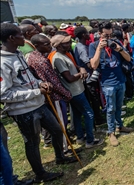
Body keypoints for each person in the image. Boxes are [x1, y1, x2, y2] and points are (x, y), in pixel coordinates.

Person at [0, 23, 77, 183]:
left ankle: (60, 157)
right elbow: (4, 94)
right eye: (20, 35)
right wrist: (36, 91)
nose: (24, 38)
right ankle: (40, 173)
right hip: (23, 111)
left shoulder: (19, 54)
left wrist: (39, 83)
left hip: (39, 103)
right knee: (32, 142)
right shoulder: (2, 63)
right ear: (11, 38)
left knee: (57, 130)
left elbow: (27, 78)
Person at [49, 34, 104, 148]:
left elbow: (75, 66)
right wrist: (81, 74)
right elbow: (69, 78)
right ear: (58, 46)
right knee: (89, 113)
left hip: (76, 90)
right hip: (74, 91)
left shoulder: (66, 54)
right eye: (66, 43)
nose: (69, 44)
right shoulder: (58, 58)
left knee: (77, 115)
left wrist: (81, 68)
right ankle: (90, 140)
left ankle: (80, 137)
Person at [89, 21, 134, 147]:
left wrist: (119, 49)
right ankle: (111, 132)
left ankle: (119, 126)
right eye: (105, 36)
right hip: (108, 83)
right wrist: (99, 48)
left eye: (110, 35)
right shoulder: (93, 46)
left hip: (120, 80)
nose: (108, 38)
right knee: (110, 109)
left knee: (119, 106)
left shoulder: (116, 43)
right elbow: (93, 65)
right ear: (99, 34)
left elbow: (128, 58)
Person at [28, 34, 73, 150]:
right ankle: (65, 148)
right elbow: (53, 82)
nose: (50, 46)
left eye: (49, 43)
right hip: (55, 97)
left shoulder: (34, 56)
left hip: (50, 97)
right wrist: (66, 93)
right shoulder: (41, 61)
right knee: (61, 124)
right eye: (46, 44)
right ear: (36, 45)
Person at [73, 26, 106, 125]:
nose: (89, 35)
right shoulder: (82, 48)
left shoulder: (80, 46)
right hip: (89, 78)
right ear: (83, 35)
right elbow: (90, 64)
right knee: (93, 98)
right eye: (87, 33)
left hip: (89, 77)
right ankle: (98, 119)